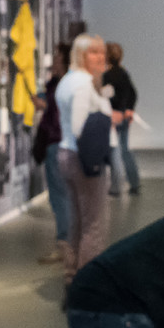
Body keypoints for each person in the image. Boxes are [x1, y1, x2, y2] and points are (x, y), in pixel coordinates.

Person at [54, 32, 118, 289]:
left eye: (102, 52)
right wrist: (107, 117)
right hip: (84, 159)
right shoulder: (82, 84)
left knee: (78, 222)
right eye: (93, 52)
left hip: (69, 155)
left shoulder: (70, 81)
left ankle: (74, 279)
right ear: (81, 55)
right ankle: (88, 285)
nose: (100, 57)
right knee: (93, 225)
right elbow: (82, 126)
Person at [34, 43, 71, 264]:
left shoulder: (62, 86)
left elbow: (55, 118)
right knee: (63, 196)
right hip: (63, 145)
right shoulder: (60, 85)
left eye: (58, 58)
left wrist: (45, 107)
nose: (54, 61)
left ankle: (64, 245)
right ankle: (67, 244)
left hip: (56, 144)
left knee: (60, 197)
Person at [102, 41, 141, 197]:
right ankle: (134, 182)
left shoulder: (107, 76)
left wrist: (115, 110)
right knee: (124, 149)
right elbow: (133, 93)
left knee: (115, 151)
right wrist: (128, 110)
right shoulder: (124, 73)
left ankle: (116, 187)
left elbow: (106, 96)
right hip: (124, 115)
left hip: (114, 116)